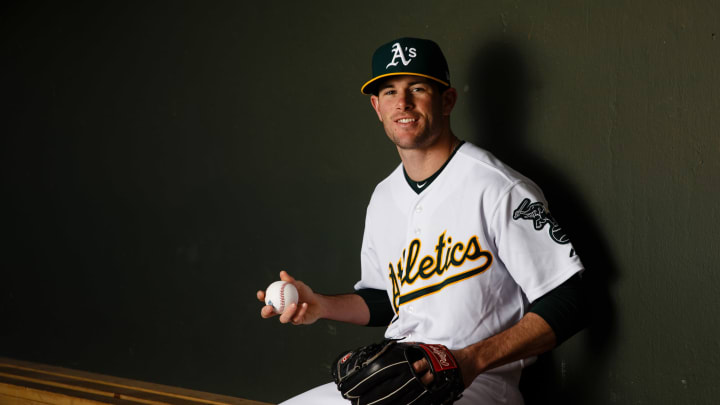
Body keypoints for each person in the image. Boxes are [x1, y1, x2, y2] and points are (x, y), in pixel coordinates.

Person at [257, 37, 587, 404]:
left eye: (417, 88)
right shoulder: (383, 197)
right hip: (398, 373)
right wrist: (320, 304)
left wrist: (469, 360)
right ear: (376, 107)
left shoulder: (498, 188)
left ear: (447, 100)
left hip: (478, 386)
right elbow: (385, 299)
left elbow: (571, 300)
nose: (403, 103)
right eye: (389, 91)